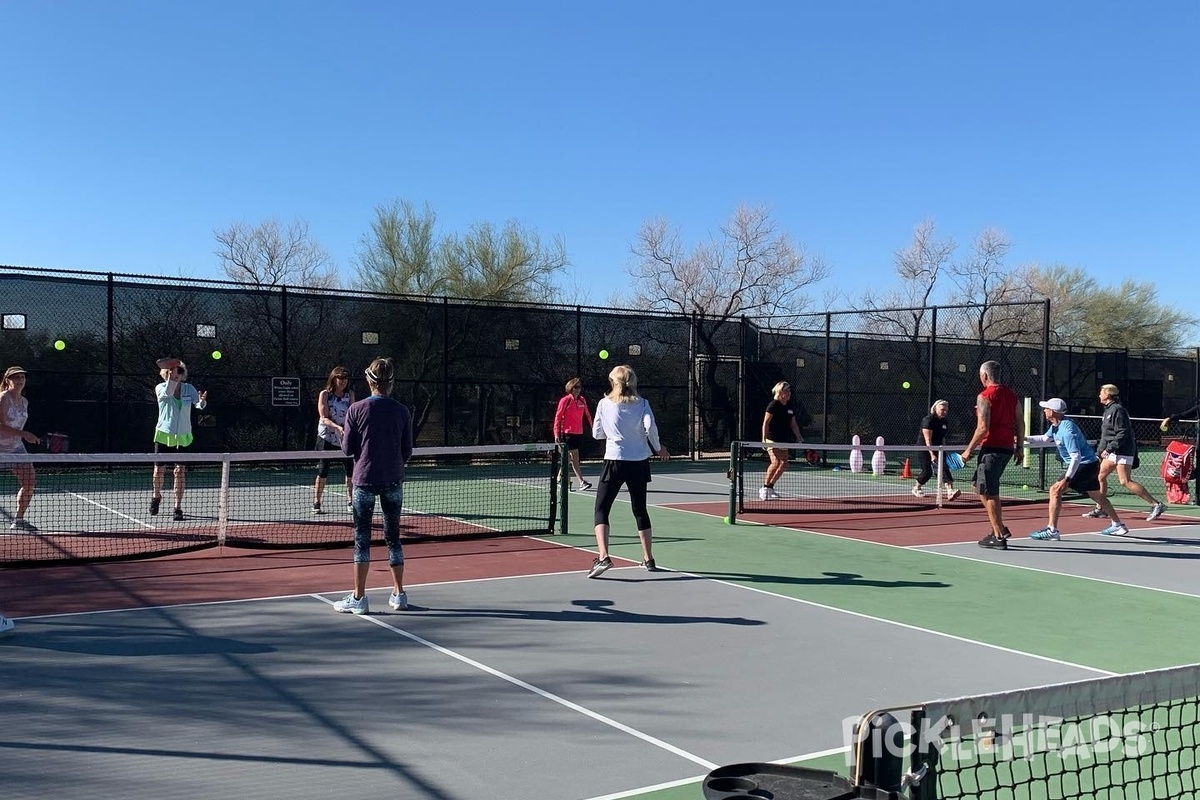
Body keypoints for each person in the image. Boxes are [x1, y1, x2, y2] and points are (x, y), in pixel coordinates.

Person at [334, 357, 414, 614]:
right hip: (393, 480)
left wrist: (343, 434)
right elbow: (407, 451)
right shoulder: (402, 411)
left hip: (364, 482)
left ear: (369, 380)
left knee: (362, 540)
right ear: (391, 382)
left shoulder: (355, 410)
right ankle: (399, 594)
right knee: (394, 539)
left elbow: (347, 449)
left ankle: (359, 598)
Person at [586, 365, 670, 578]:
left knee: (601, 509)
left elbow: (597, 434)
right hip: (638, 462)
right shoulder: (643, 404)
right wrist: (658, 448)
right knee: (640, 510)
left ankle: (604, 557)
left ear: (613, 382)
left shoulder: (604, 404)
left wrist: (614, 431)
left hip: (614, 461)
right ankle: (649, 559)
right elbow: (650, 428)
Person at [1026, 398, 1128, 539]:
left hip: (1084, 465)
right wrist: (1023, 439)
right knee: (1096, 495)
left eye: (1047, 408)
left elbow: (1076, 457)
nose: (1044, 410)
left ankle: (1052, 530)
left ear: (1054, 412)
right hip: (1089, 463)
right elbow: (1044, 439)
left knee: (1055, 490)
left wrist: (1067, 479)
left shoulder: (1067, 430)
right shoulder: (1056, 425)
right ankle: (1118, 525)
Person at [961, 360, 1024, 550]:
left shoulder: (984, 396)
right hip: (1006, 449)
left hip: (992, 449)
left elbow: (982, 428)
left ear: (985, 376)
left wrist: (968, 450)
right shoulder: (1012, 396)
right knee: (977, 486)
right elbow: (1020, 423)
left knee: (990, 493)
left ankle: (998, 537)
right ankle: (1000, 527)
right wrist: (1019, 447)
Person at [1082, 384, 1165, 522]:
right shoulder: (1108, 410)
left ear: (1107, 395)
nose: (1099, 395)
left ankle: (1156, 504)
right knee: (1100, 476)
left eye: (1101, 393)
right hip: (1113, 451)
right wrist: (1099, 452)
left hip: (1123, 450)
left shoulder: (1118, 410)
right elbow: (1106, 435)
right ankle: (1101, 508)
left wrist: (1109, 448)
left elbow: (1123, 433)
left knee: (1125, 481)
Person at [151, 358, 208, 521]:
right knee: (159, 471)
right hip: (164, 434)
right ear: (167, 373)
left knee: (179, 471)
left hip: (183, 436)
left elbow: (198, 405)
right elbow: (167, 393)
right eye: (176, 370)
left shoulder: (189, 388)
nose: (179, 373)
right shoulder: (160, 387)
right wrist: (171, 379)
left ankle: (177, 507)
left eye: (180, 371)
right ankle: (156, 497)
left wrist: (202, 402)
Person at [1, 366, 40, 530]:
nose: (19, 380)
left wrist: (25, 436)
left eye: (22, 377)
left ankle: (19, 519)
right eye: (15, 377)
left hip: (16, 449)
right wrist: (24, 433)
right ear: (8, 380)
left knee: (29, 482)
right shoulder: (3, 398)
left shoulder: (25, 401)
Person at [313, 366, 355, 514]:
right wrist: (337, 427)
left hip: (344, 438)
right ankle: (317, 502)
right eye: (340, 378)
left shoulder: (349, 394)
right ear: (334, 378)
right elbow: (323, 418)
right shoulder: (325, 394)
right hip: (326, 437)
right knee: (323, 471)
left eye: (345, 379)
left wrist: (349, 430)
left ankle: (351, 501)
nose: (343, 381)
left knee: (351, 472)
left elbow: (352, 415)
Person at [760, 381, 803, 500]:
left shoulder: (789, 407)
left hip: (784, 440)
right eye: (787, 391)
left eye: (790, 391)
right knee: (775, 462)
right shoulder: (773, 405)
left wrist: (799, 436)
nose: (789, 393)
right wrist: (763, 439)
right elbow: (766, 423)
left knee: (784, 464)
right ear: (781, 392)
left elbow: (793, 424)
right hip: (771, 439)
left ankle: (770, 487)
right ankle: (764, 488)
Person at [913, 399, 960, 500]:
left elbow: (942, 437)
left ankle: (950, 491)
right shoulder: (928, 420)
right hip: (924, 448)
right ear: (935, 408)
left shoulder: (944, 421)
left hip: (939, 448)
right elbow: (927, 440)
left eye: (946, 410)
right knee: (927, 472)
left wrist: (943, 450)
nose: (945, 412)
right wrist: (932, 454)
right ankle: (916, 488)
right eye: (942, 409)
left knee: (944, 468)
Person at [553, 377, 594, 491]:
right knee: (574, 457)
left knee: (568, 458)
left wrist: (593, 427)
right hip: (567, 433)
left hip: (578, 433)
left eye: (579, 387)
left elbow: (588, 415)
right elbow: (557, 417)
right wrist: (556, 434)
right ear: (570, 388)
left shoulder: (582, 400)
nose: (578, 389)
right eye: (575, 387)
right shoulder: (565, 400)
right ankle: (581, 482)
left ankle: (558, 479)